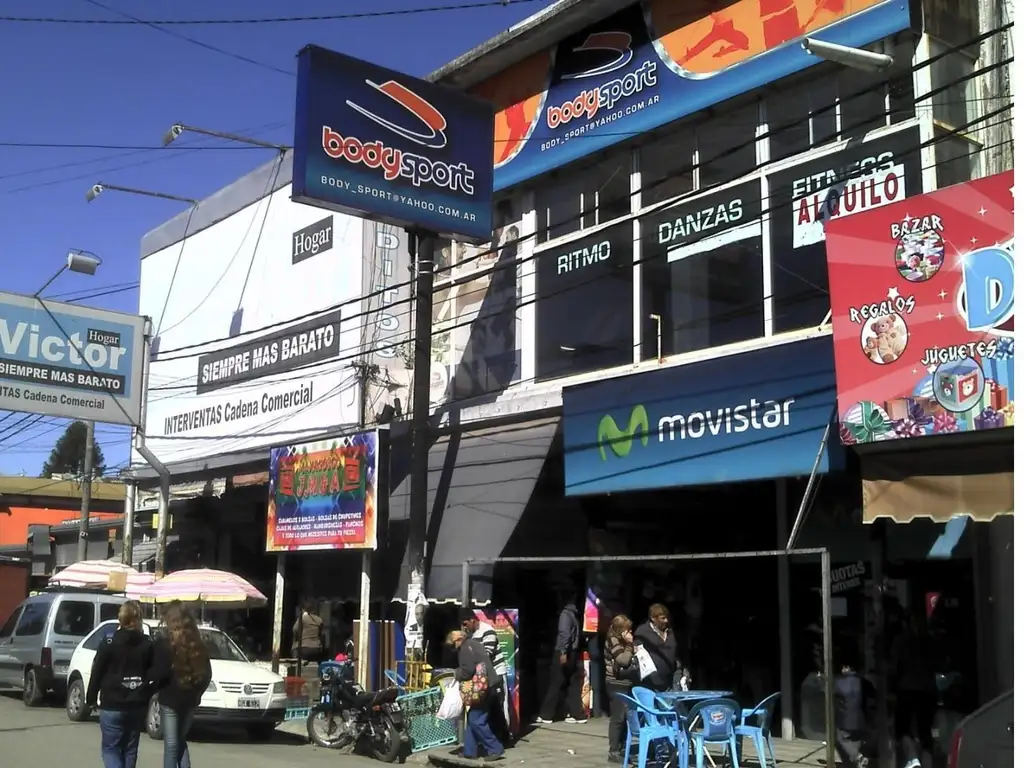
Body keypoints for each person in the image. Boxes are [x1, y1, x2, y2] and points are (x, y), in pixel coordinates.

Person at [86, 600, 154, 768]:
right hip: (136, 703)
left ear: (121, 619)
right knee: (130, 749)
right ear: (138, 619)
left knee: (111, 749)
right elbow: (152, 673)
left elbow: (97, 672)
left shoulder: (109, 642)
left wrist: (91, 698)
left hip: (112, 703)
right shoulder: (147, 644)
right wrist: (147, 692)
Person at [151, 601, 213, 768]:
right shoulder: (197, 644)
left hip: (169, 699)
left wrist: (153, 686)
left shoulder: (164, 644)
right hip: (190, 700)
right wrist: (197, 694)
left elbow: (159, 672)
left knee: (171, 745)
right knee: (179, 741)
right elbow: (207, 674)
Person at [448, 630, 504, 762]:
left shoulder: (465, 649)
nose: (452, 648)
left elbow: (467, 671)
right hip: (488, 685)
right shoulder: (474, 644)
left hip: (482, 689)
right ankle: (470, 751)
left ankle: (495, 748)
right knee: (472, 717)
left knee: (476, 720)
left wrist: (456, 673)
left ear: (458, 640)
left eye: (452, 644)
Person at [892, 612, 938, 768]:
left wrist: (893, 687)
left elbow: (895, 666)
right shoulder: (930, 641)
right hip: (927, 690)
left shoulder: (902, 641)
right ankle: (926, 763)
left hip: (908, 688)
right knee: (925, 730)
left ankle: (913, 759)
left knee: (903, 728)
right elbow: (939, 663)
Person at [461, 608, 511, 745]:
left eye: (465, 624)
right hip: (482, 677)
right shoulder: (471, 635)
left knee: (500, 705)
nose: (464, 627)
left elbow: (486, 655)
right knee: (485, 709)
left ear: (472, 620)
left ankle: (504, 737)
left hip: (496, 673)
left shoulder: (487, 631)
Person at [536, 598, 587, 725]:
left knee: (556, 682)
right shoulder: (574, 615)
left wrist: (563, 652)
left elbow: (564, 634)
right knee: (572, 683)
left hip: (563, 651)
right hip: (573, 652)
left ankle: (546, 714)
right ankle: (578, 714)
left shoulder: (565, 614)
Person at [604, 615, 637, 763]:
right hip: (616, 683)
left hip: (626, 682)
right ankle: (614, 751)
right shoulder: (613, 640)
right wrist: (630, 645)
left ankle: (622, 748)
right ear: (620, 630)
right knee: (618, 718)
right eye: (627, 630)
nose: (630, 632)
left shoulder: (622, 641)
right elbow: (623, 660)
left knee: (624, 718)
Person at [633, 603, 685, 693]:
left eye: (667, 617)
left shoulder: (671, 632)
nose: (666, 621)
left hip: (672, 681)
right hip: (652, 684)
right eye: (662, 618)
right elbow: (639, 656)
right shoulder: (642, 633)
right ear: (653, 618)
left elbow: (678, 653)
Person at [835, 661, 868, 768]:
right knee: (855, 742)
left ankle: (858, 757)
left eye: (844, 667)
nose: (842, 669)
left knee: (839, 738)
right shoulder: (862, 681)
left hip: (845, 720)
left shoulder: (839, 682)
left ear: (848, 668)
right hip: (861, 720)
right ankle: (857, 762)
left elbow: (829, 692)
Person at [292, 598, 324, 666]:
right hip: (317, 648)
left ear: (303, 609)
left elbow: (295, 630)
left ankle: (297, 667)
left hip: (304, 647)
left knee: (294, 648)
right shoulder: (319, 620)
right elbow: (320, 633)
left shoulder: (302, 618)